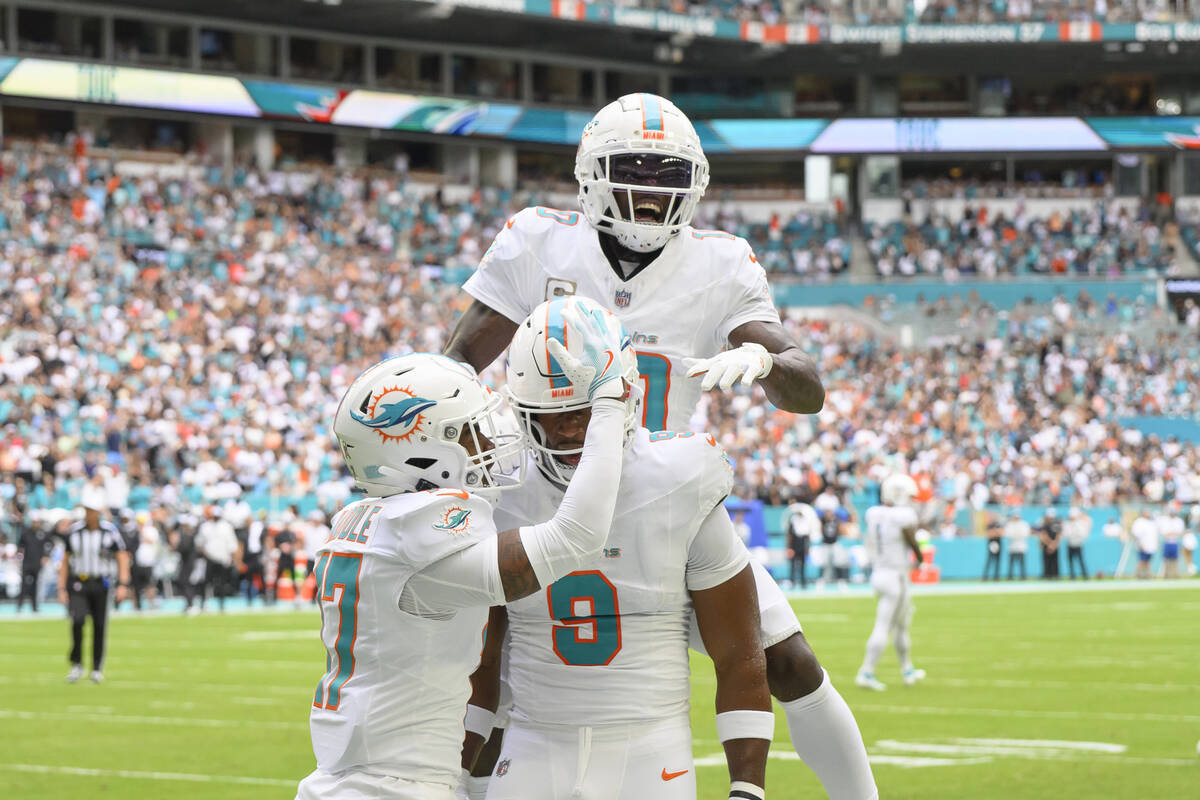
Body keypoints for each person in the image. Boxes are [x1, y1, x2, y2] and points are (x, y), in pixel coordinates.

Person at [444, 92, 875, 800]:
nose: (651, 193)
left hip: (660, 499)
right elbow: (461, 361)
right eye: (634, 172)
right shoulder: (537, 242)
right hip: (547, 491)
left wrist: (767, 363)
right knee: (503, 675)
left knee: (788, 662)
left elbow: (808, 386)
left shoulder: (720, 264)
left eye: (668, 177)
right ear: (593, 175)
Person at [296, 309, 631, 799]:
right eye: (470, 434)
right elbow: (576, 535)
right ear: (422, 453)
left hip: (354, 781)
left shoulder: (367, 523)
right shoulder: (419, 536)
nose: (489, 445)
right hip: (393, 787)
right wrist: (606, 406)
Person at [464, 296, 773, 799]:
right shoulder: (503, 487)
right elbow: (479, 660)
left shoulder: (679, 478)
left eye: (583, 408)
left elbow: (739, 654)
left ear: (622, 399)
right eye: (550, 412)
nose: (567, 427)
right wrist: (457, 775)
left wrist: (747, 789)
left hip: (650, 749)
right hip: (534, 743)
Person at [855, 473, 926, 692]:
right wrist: (920, 558)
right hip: (895, 575)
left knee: (901, 624)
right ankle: (866, 671)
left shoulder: (874, 513)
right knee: (885, 625)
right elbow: (911, 538)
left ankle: (907, 669)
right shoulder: (903, 516)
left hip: (880, 573)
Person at [58, 486, 130, 683]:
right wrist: (61, 587)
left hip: (101, 583)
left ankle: (96, 668)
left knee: (99, 626)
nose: (90, 514)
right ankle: (77, 664)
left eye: (93, 510)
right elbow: (65, 561)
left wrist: (123, 584)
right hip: (79, 583)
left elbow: (122, 557)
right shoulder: (74, 532)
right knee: (78, 621)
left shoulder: (109, 532)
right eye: (88, 510)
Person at [196, 506, 241, 613]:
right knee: (206, 583)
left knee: (222, 583)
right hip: (209, 558)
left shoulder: (226, 527)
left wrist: (234, 559)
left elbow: (232, 545)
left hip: (223, 559)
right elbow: (199, 543)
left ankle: (221, 604)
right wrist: (205, 553)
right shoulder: (205, 526)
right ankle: (203, 603)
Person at [16, 510, 52, 612]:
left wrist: (46, 556)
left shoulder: (43, 533)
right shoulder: (26, 533)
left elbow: (49, 545)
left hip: (37, 563)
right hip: (27, 563)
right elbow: (20, 546)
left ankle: (35, 607)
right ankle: (20, 606)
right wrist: (19, 557)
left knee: (36, 585)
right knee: (23, 585)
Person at [785, 500, 819, 589]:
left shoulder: (805, 521)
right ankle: (792, 581)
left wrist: (807, 548)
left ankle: (803, 582)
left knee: (803, 565)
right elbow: (790, 535)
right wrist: (789, 547)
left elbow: (807, 536)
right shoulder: (793, 521)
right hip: (795, 543)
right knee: (793, 565)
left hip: (802, 543)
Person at [1157, 503, 1185, 579]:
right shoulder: (1165, 520)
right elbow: (1164, 532)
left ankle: (1175, 574)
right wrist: (1172, 533)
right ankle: (1166, 575)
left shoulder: (1178, 521)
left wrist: (1172, 533)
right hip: (1167, 542)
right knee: (1166, 559)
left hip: (1175, 542)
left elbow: (1180, 532)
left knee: (1175, 559)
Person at [1063, 507, 1091, 580]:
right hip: (1070, 544)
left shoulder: (1080, 523)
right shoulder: (1067, 523)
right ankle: (1072, 576)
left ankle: (1085, 575)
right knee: (1070, 561)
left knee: (1081, 560)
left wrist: (1074, 533)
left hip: (1078, 544)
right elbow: (1065, 534)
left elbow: (1083, 533)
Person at [1131, 509, 1158, 580]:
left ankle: (1147, 575)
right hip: (1143, 544)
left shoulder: (1151, 522)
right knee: (1142, 561)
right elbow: (1136, 534)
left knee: (1148, 561)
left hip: (1150, 545)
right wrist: (1139, 544)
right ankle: (1137, 574)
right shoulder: (1139, 522)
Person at [1003, 512, 1031, 580]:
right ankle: (1010, 576)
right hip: (1012, 547)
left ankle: (1023, 576)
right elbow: (1008, 534)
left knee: (1022, 563)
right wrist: (1016, 534)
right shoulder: (1010, 524)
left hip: (1021, 547)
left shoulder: (1024, 524)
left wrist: (1016, 534)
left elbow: (1026, 534)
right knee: (1011, 563)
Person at [1038, 508, 1062, 580]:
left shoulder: (1056, 524)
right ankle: (1047, 575)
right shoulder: (1044, 524)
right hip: (1047, 545)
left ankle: (1055, 575)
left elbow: (1058, 535)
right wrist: (1050, 544)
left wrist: (1053, 545)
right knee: (1047, 561)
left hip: (1054, 546)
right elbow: (1043, 535)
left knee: (1055, 561)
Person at [981, 512, 1003, 581]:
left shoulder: (999, 524)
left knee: (997, 561)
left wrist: (995, 532)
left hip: (998, 543)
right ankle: (985, 576)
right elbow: (989, 534)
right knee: (989, 560)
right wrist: (995, 532)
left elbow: (1001, 533)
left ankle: (996, 577)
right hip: (991, 544)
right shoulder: (989, 525)